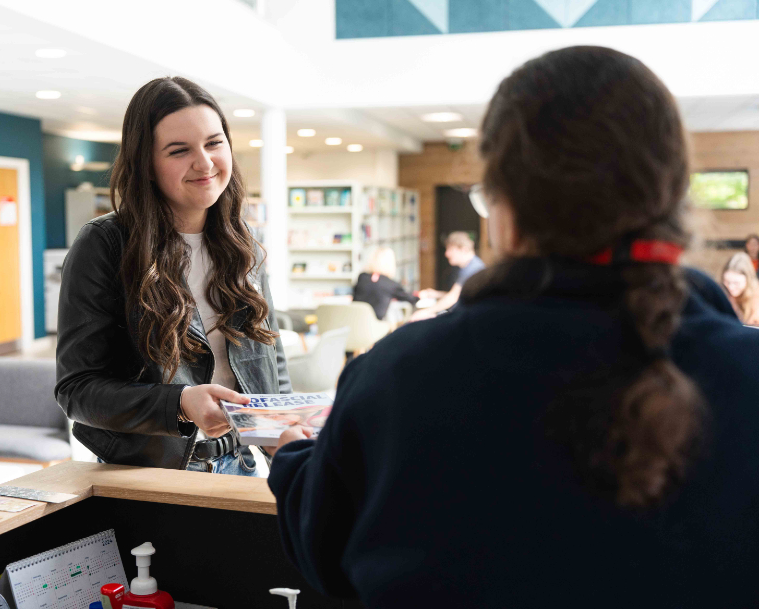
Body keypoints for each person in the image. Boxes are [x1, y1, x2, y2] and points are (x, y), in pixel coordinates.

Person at [266, 46, 759, 608]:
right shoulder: (746, 374)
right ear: (670, 195)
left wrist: (293, 463)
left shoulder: (396, 379)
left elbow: (327, 549)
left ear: (502, 208)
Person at [55, 76, 291, 476]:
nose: (204, 163)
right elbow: (77, 390)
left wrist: (286, 440)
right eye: (179, 150)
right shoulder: (106, 245)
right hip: (149, 473)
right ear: (146, 164)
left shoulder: (244, 245)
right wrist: (179, 406)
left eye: (214, 143)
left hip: (239, 464)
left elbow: (270, 360)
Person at [410, 231, 485, 321]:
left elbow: (453, 297)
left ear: (463, 249)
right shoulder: (469, 266)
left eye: (450, 249)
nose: (446, 254)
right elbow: (459, 295)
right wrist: (435, 294)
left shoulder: (473, 268)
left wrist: (426, 312)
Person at [352, 247, 418, 320]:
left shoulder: (362, 277)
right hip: (377, 326)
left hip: (356, 323)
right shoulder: (390, 284)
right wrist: (421, 295)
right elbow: (411, 299)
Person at [721, 252, 759, 325]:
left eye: (736, 283)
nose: (730, 287)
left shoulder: (756, 296)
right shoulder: (723, 292)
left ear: (748, 280)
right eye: (727, 281)